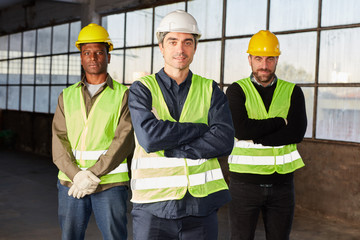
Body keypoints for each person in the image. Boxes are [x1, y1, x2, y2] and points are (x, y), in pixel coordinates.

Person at [128, 10, 234, 240]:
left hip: (201, 207)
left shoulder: (210, 89)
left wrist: (174, 148)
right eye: (173, 41)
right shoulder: (141, 89)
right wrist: (200, 128)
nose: (180, 49)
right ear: (161, 46)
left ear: (195, 47)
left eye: (188, 42)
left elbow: (224, 140)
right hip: (153, 207)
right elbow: (150, 138)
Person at [52, 23, 134, 240]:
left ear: (108, 56)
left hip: (110, 184)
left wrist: (93, 174)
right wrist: (77, 175)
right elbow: (59, 139)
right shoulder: (66, 95)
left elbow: (124, 140)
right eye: (87, 52)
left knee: (114, 237)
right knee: (70, 237)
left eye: (99, 52)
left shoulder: (124, 95)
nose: (93, 57)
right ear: (81, 57)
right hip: (71, 184)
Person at [226, 30, 307, 240]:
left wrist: (256, 136)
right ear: (250, 60)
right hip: (244, 185)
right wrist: (280, 122)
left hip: (282, 185)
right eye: (258, 58)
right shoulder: (236, 90)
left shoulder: (293, 91)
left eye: (270, 59)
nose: (264, 65)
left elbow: (297, 133)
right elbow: (241, 130)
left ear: (277, 59)